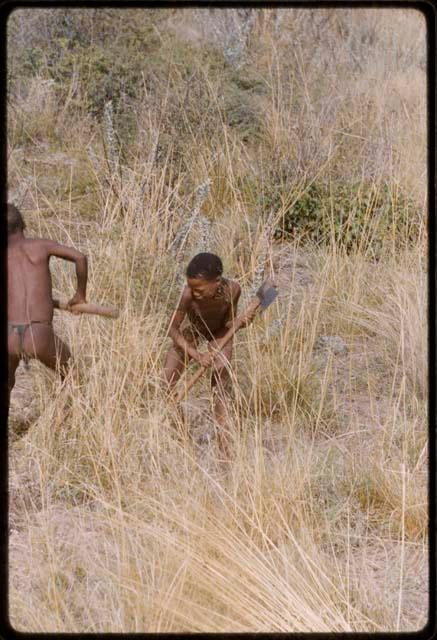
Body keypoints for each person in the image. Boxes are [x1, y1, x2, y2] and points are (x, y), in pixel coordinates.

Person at [163, 252, 256, 456]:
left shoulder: (233, 290)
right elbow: (172, 328)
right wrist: (196, 355)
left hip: (219, 333)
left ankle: (225, 446)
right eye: (192, 287)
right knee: (166, 380)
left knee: (220, 381)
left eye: (200, 289)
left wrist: (243, 322)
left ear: (217, 281)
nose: (195, 293)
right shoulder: (188, 295)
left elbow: (229, 323)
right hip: (193, 331)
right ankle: (181, 436)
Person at [7, 203, 88, 401]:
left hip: (9, 336)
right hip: (39, 334)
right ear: (22, 225)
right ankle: (60, 423)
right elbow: (80, 257)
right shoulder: (41, 246)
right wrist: (80, 295)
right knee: (73, 376)